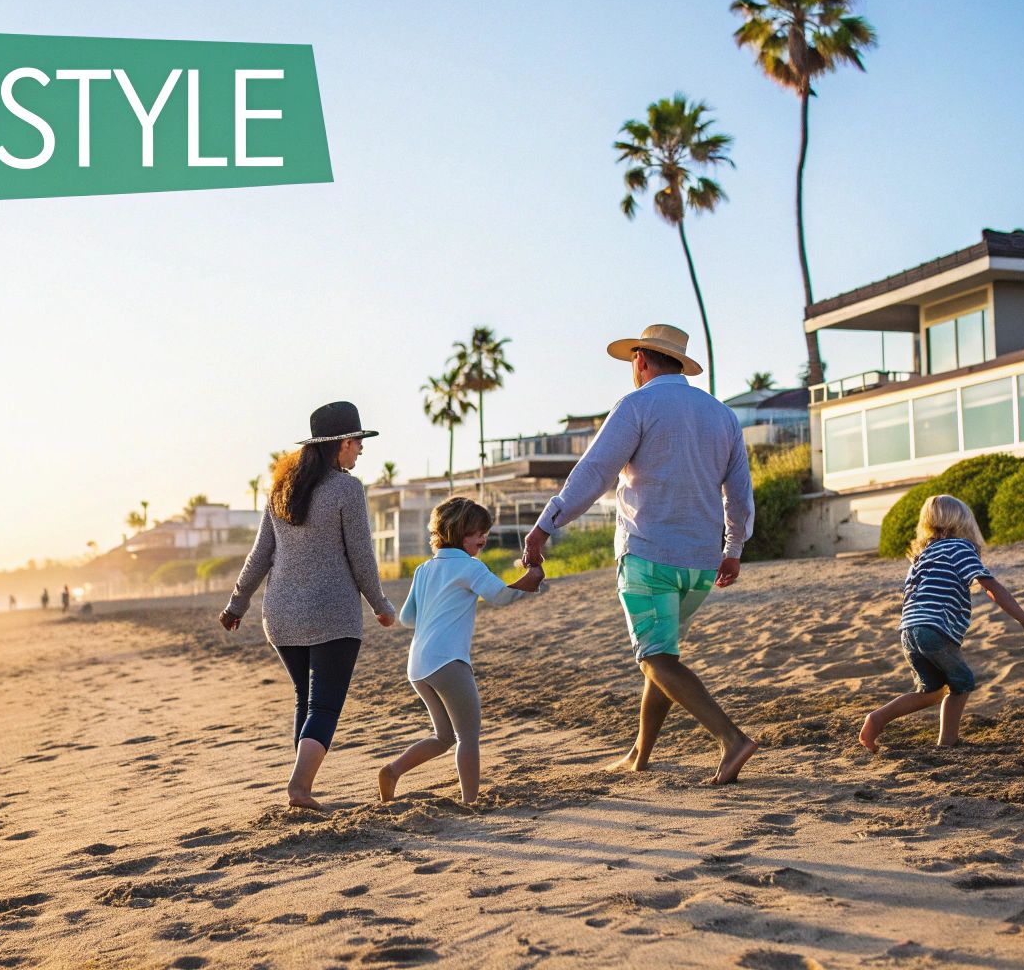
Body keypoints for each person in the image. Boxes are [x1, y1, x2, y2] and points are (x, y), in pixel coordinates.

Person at [522, 324, 759, 785]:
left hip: (648, 554)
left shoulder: (637, 405)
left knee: (655, 658)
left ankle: (732, 740)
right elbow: (739, 493)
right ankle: (640, 754)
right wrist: (733, 547)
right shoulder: (723, 415)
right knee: (662, 656)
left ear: (642, 360)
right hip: (701, 562)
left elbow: (595, 472)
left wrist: (546, 524)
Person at [221, 401, 396, 811]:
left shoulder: (283, 489)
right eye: (357, 442)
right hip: (332, 614)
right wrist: (381, 604)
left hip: (281, 616)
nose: (361, 449)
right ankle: (299, 788)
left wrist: (236, 604)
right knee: (325, 704)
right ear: (341, 444)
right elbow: (361, 558)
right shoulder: (347, 489)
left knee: (307, 698)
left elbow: (260, 555)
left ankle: (303, 786)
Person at [379, 497, 544, 805]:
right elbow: (500, 596)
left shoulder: (424, 569)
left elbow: (407, 619)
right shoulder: (470, 566)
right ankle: (471, 803)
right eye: (477, 532)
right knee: (467, 736)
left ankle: (393, 770)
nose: (483, 538)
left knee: (443, 736)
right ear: (456, 531)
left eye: (485, 531)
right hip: (448, 662)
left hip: (418, 665)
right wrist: (531, 579)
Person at [859, 495, 1024, 752]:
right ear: (964, 523)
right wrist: (1023, 617)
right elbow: (990, 586)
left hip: (909, 630)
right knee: (962, 683)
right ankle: (947, 742)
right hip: (935, 628)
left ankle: (877, 719)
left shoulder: (921, 556)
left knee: (932, 692)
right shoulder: (960, 547)